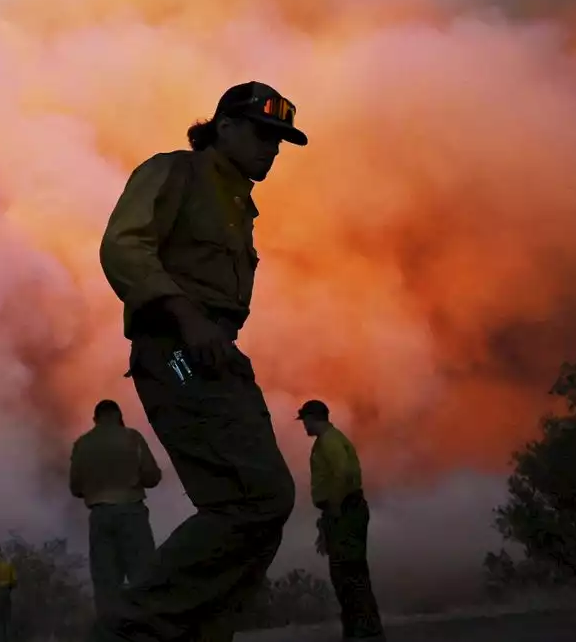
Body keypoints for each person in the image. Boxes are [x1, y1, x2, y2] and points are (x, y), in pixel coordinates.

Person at [94, 81, 308, 642]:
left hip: (213, 353)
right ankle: (131, 628)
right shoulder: (176, 173)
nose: (273, 149)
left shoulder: (238, 202)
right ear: (225, 127)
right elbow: (123, 246)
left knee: (261, 505)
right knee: (257, 498)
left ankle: (195, 631)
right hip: (176, 354)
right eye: (264, 134)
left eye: (280, 140)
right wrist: (187, 318)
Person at [297, 399, 385, 641]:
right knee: (346, 572)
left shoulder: (329, 441)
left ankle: (365, 631)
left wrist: (334, 507)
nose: (303, 425)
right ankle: (359, 629)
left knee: (349, 572)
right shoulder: (331, 439)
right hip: (344, 511)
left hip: (345, 511)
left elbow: (342, 473)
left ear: (314, 418)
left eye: (305, 419)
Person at [70, 399, 163, 618]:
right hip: (131, 512)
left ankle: (111, 633)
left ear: (96, 419)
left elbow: (75, 487)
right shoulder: (132, 438)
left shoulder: (82, 444)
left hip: (100, 515)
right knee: (143, 577)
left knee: (106, 584)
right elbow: (152, 476)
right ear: (119, 417)